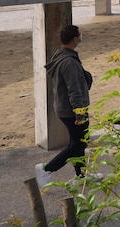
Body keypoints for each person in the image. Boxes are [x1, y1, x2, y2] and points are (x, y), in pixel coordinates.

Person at [36, 24, 93, 186]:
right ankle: (47, 168)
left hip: (64, 108)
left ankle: (81, 176)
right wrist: (79, 114)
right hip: (72, 110)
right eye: (79, 35)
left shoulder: (61, 55)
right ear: (75, 38)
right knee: (78, 144)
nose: (81, 37)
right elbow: (74, 90)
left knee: (78, 141)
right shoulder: (69, 62)